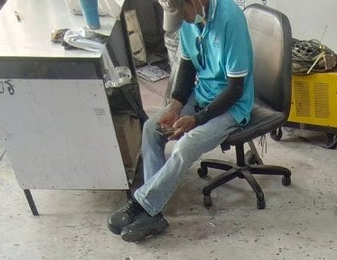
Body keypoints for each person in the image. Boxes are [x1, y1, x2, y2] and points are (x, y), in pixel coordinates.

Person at [108, 0, 254, 243]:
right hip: (202, 94)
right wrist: (175, 106)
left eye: (183, 13)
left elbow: (235, 89)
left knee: (185, 146)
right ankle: (153, 211)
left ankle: (142, 204)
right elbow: (187, 68)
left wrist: (196, 119)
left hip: (232, 106)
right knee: (152, 128)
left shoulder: (231, 19)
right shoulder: (190, 19)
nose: (184, 20)